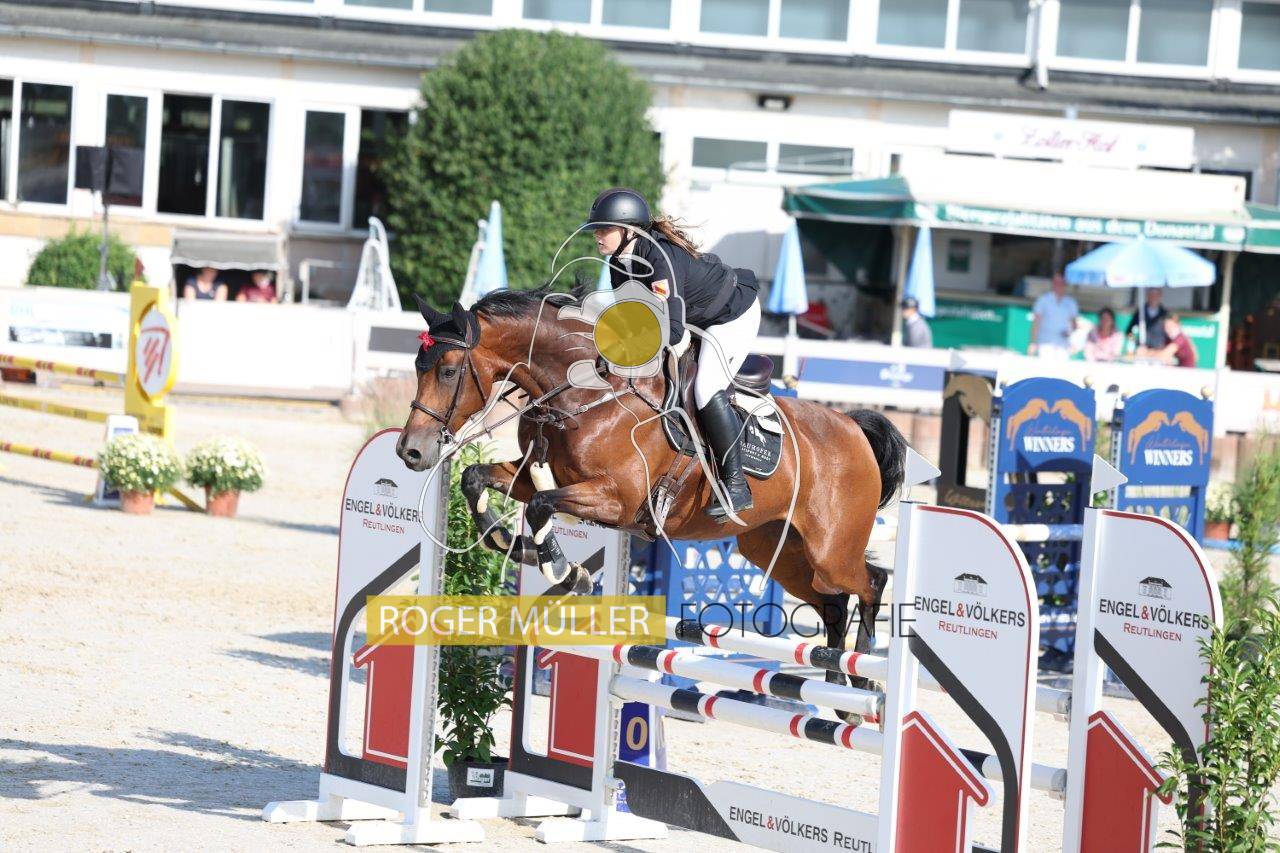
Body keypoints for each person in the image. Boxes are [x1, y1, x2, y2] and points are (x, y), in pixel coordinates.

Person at [588, 187, 761, 520]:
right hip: (695, 318)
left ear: (629, 230)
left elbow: (673, 331)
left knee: (705, 388)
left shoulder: (658, 258)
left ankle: (737, 485)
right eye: (596, 228)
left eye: (604, 228)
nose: (597, 235)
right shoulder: (619, 263)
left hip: (730, 316)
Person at [1028, 273, 1078, 359]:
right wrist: (1033, 342)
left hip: (1063, 345)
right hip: (1045, 343)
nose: (1059, 286)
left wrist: (1072, 338)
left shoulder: (1071, 303)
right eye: (1056, 283)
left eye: (1061, 283)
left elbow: (1074, 325)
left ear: (1065, 285)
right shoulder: (1043, 300)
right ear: (1052, 284)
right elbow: (1036, 322)